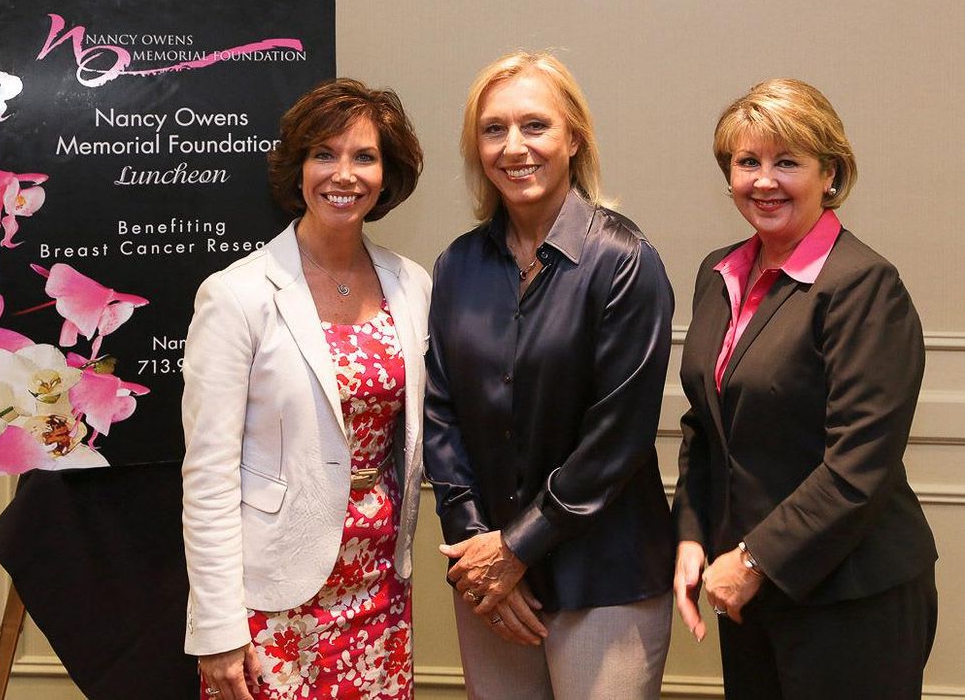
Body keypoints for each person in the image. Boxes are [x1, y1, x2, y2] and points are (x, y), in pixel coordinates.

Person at [672, 78, 938, 699]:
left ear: (831, 173)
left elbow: (858, 465)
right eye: (748, 162)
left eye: (787, 162)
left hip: (851, 601)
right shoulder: (719, 273)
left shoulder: (865, 285)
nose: (764, 181)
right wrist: (691, 533)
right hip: (749, 593)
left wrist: (753, 561)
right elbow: (704, 425)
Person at [424, 51, 675, 699]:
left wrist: (518, 547)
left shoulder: (623, 261)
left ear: (574, 137)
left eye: (535, 125)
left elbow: (616, 438)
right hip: (488, 579)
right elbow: (441, 413)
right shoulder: (457, 265)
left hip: (605, 577)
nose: (514, 147)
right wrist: (477, 548)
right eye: (493, 129)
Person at [181, 78, 429, 700]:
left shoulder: (413, 285)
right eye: (325, 154)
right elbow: (208, 473)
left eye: (364, 156)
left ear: (386, 173)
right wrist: (215, 626)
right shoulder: (237, 295)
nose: (342, 174)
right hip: (273, 595)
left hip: (379, 585)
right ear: (298, 169)